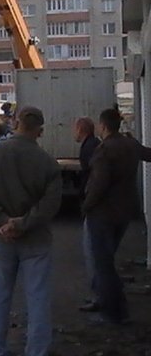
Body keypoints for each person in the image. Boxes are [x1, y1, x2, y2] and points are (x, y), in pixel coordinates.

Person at [0, 107, 62, 356]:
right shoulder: (48, 163)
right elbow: (50, 204)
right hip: (36, 239)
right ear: (40, 130)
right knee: (38, 298)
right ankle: (37, 350)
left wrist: (1, 221)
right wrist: (22, 223)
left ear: (16, 122)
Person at [82, 108, 151, 325]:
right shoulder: (130, 144)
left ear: (103, 126)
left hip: (103, 213)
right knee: (107, 261)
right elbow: (148, 154)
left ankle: (113, 313)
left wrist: (86, 205)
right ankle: (114, 306)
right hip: (125, 211)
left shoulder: (104, 150)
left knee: (103, 264)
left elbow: (99, 184)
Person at [74, 117, 102, 312]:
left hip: (95, 208)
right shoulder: (93, 144)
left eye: (75, 129)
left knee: (93, 253)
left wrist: (87, 204)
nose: (74, 133)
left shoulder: (89, 147)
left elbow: (95, 178)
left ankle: (100, 298)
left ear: (81, 129)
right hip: (100, 206)